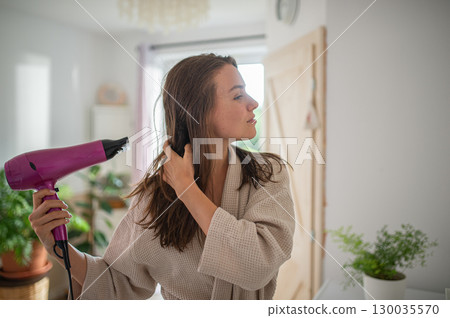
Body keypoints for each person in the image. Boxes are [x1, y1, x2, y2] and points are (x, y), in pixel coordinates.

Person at [29, 53, 295, 300]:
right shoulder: (154, 196)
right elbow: (117, 283)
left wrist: (188, 191)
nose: (254, 103)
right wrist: (58, 249)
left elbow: (258, 265)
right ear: (198, 111)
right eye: (238, 96)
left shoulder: (268, 174)